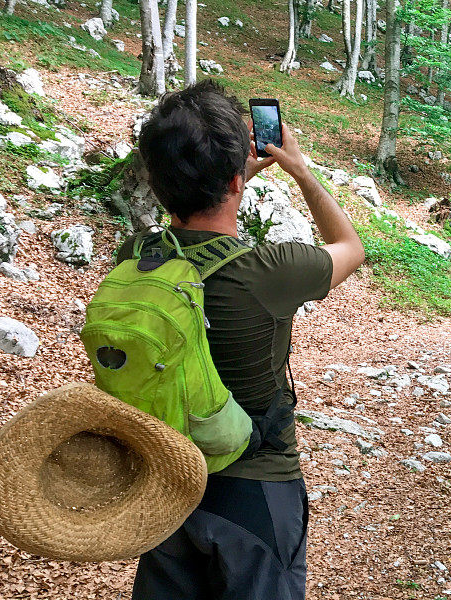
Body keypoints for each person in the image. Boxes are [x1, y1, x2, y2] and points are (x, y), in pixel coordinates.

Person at [117, 80, 365, 600]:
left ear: (159, 184)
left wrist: (227, 179)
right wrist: (298, 169)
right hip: (255, 492)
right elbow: (349, 246)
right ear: (235, 181)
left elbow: (194, 221)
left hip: (168, 486)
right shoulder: (271, 271)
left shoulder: (136, 258)